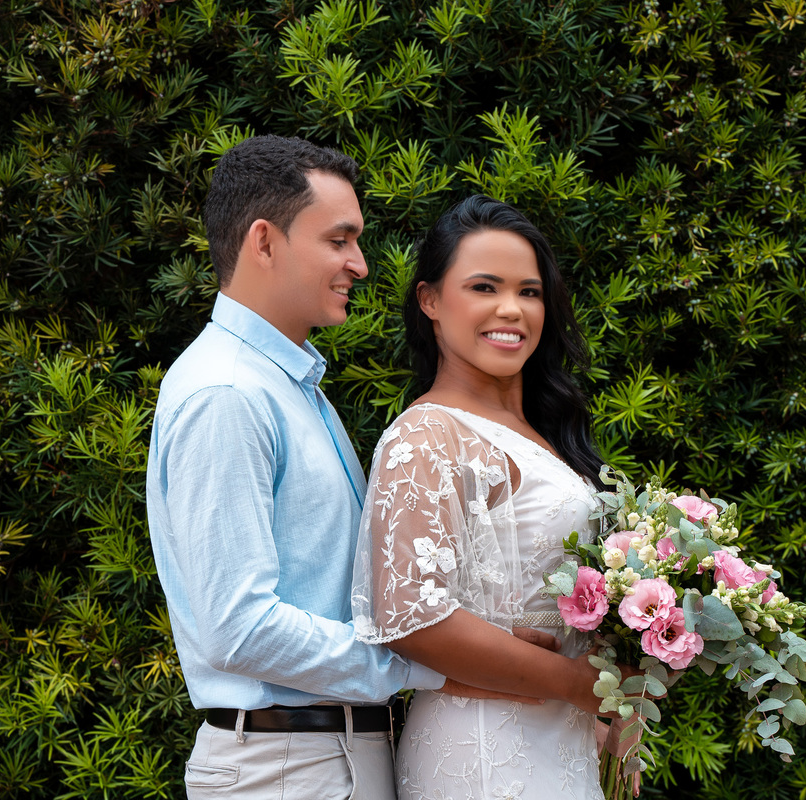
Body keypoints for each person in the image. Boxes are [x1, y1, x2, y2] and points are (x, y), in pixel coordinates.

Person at [147, 137, 559, 800]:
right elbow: (239, 628)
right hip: (286, 768)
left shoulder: (290, 388)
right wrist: (426, 667)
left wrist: (479, 643)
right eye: (339, 240)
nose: (360, 265)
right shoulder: (227, 393)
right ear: (264, 241)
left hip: (327, 755)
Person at [352, 195, 614, 799]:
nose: (511, 308)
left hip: (563, 739)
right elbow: (412, 618)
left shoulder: (545, 435)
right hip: (483, 751)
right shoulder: (427, 435)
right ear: (430, 300)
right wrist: (581, 685)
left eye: (529, 291)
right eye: (484, 287)